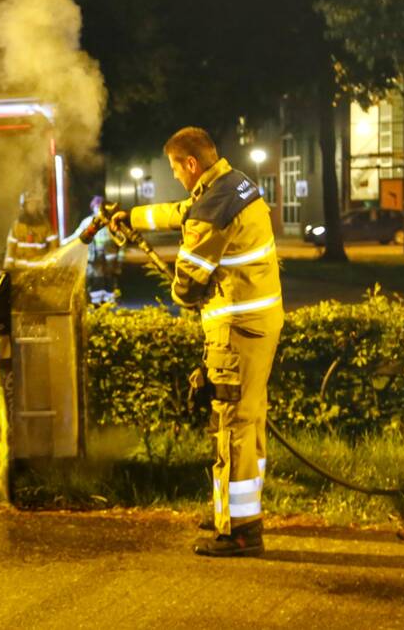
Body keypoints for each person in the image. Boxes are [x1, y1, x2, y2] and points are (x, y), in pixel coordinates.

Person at [110, 127, 283, 557]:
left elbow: (186, 286)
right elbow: (179, 211)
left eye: (175, 169)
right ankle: (237, 512)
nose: (177, 178)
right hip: (261, 322)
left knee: (232, 428)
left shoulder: (211, 211)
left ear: (191, 163)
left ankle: (240, 532)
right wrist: (131, 218)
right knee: (249, 422)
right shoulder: (235, 184)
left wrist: (183, 295)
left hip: (236, 330)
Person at [80, 195, 124, 303]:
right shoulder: (88, 222)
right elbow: (78, 235)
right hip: (96, 256)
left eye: (99, 206)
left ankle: (109, 300)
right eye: (95, 206)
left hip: (110, 255)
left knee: (109, 277)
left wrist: (120, 257)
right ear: (92, 207)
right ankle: (97, 302)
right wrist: (64, 243)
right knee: (97, 278)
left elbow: (121, 239)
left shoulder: (111, 222)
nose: (97, 209)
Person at [4, 190, 59, 270]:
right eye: (29, 204)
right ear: (24, 206)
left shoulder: (45, 225)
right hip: (20, 269)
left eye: (35, 204)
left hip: (40, 270)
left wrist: (53, 266)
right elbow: (10, 249)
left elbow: (54, 247)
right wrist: (8, 267)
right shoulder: (17, 226)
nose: (32, 206)